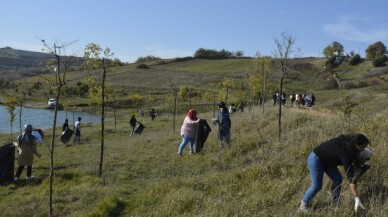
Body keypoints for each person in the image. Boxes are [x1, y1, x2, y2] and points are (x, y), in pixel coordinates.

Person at [298, 133, 370, 213]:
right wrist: (357, 198)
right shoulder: (345, 153)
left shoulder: (350, 145)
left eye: (365, 148)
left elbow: (354, 165)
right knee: (317, 186)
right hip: (316, 159)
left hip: (328, 162)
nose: (363, 149)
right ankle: (302, 205)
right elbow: (351, 178)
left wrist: (362, 161)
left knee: (337, 179)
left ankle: (335, 203)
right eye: (363, 147)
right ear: (356, 145)